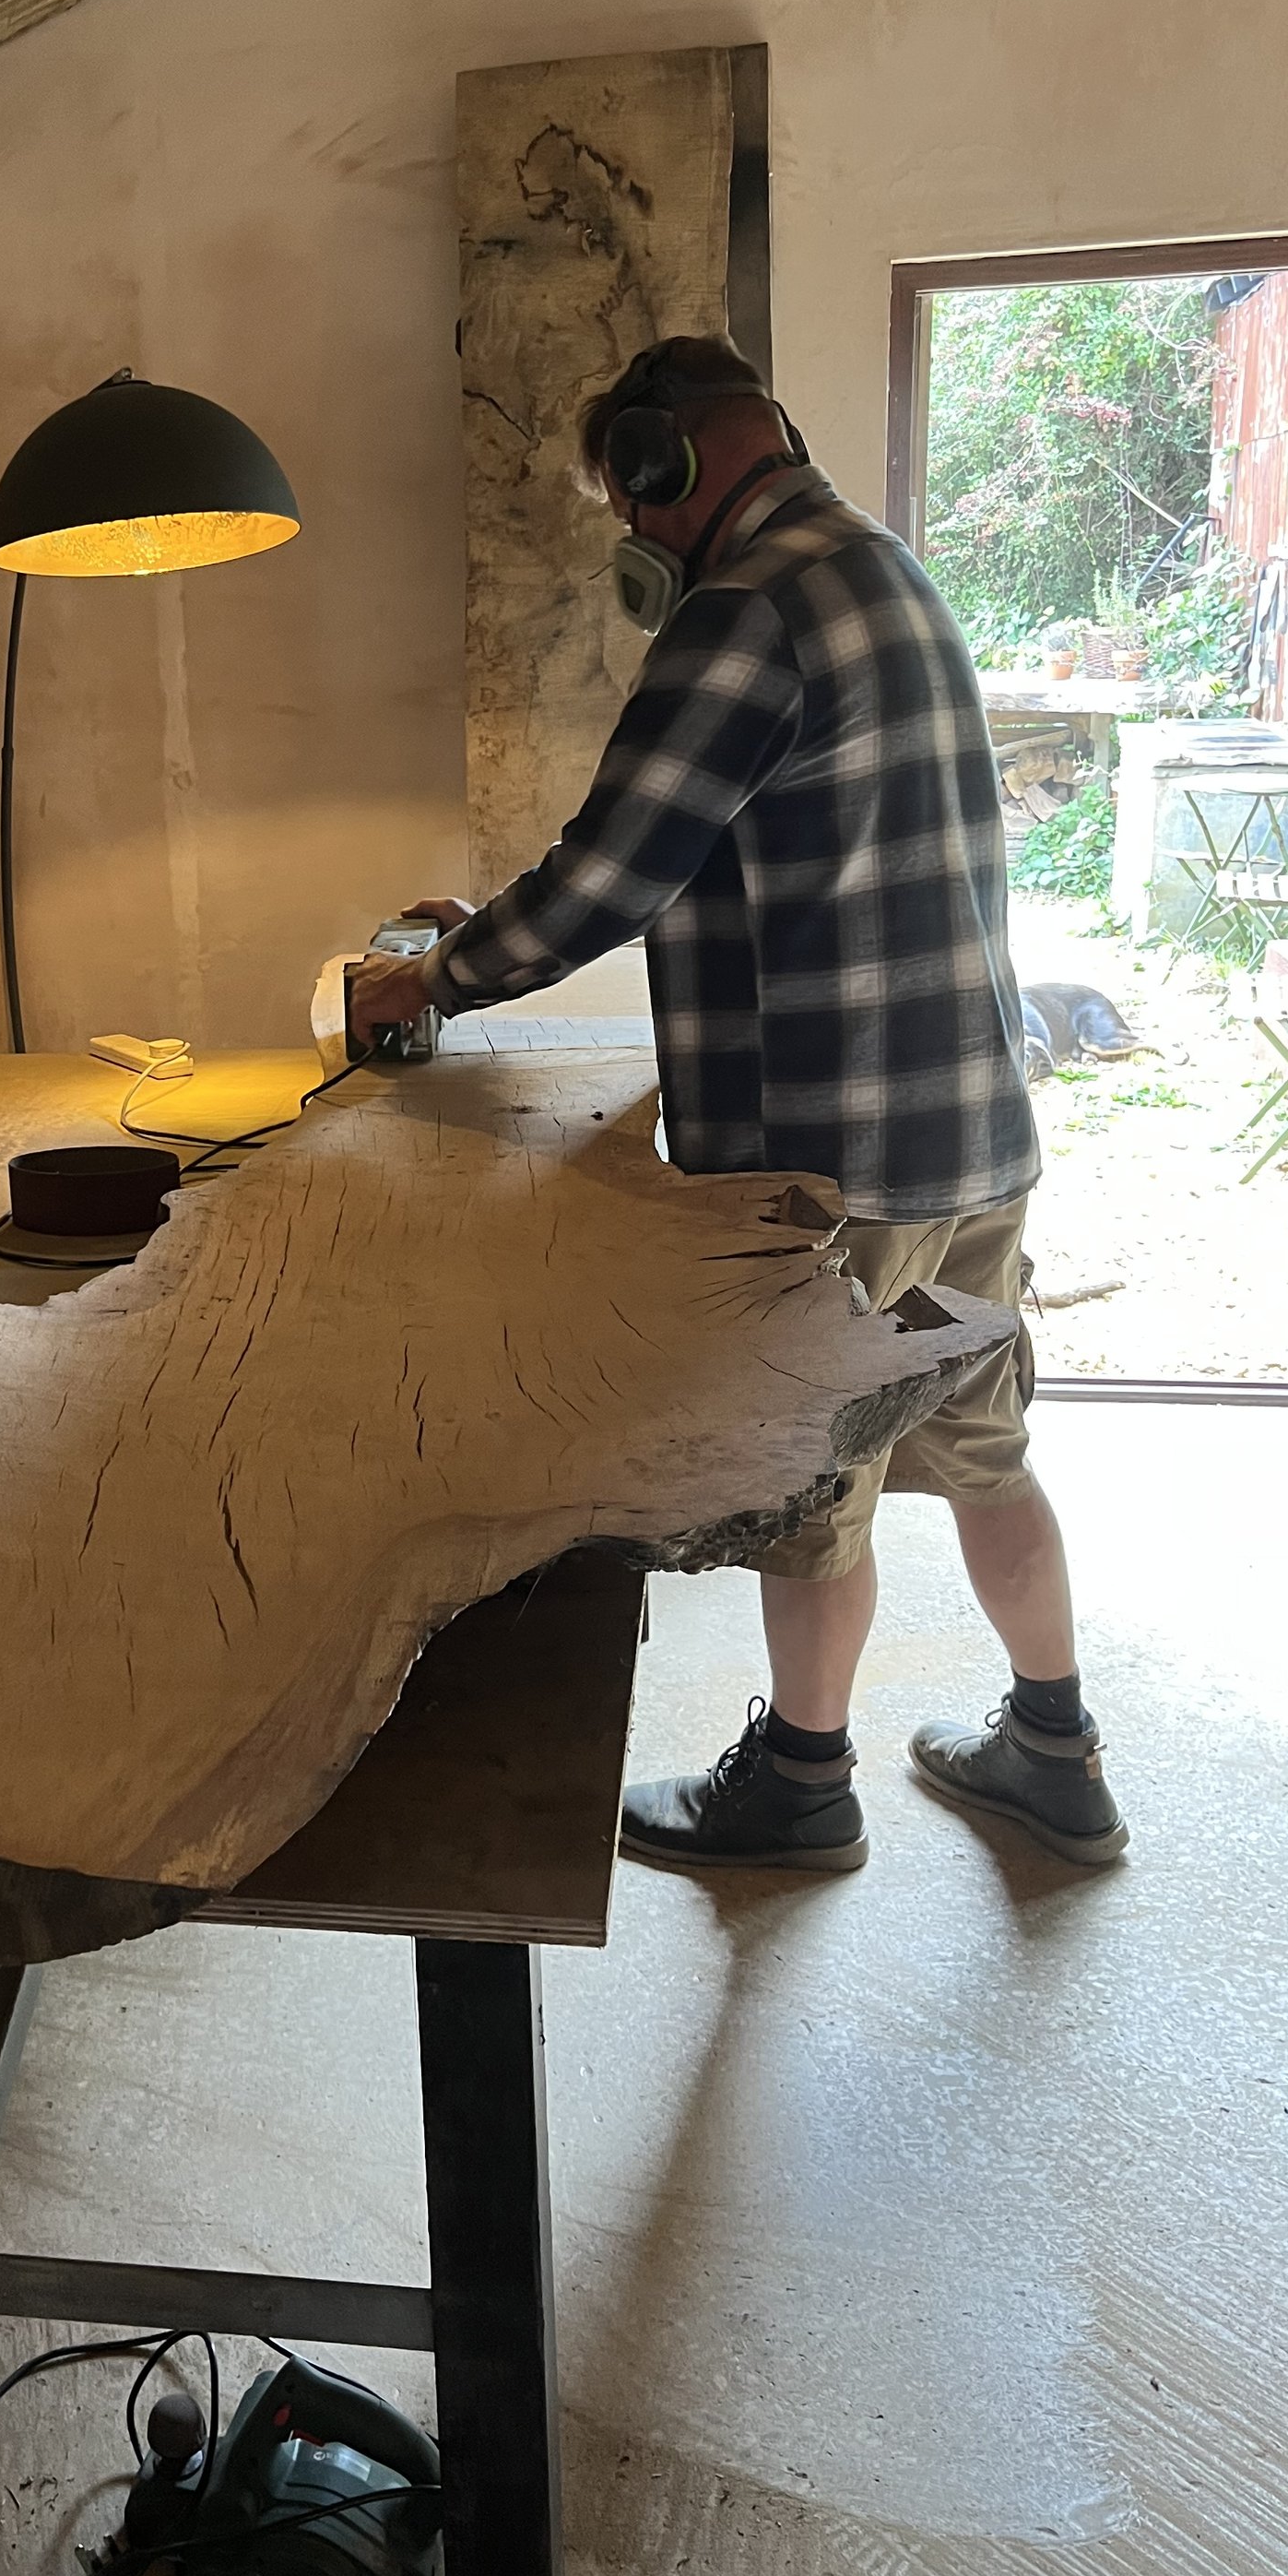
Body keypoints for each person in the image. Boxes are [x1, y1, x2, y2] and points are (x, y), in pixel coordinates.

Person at [349, 335, 1126, 1872]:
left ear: (663, 462)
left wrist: (429, 982)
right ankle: (1056, 1752)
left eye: (626, 500)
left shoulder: (745, 612)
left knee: (811, 1493)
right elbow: (713, 844)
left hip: (842, 1164)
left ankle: (801, 1783)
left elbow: (619, 869)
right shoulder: (885, 567)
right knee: (981, 1445)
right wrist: (481, 923)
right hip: (968, 1127)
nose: (631, 538)